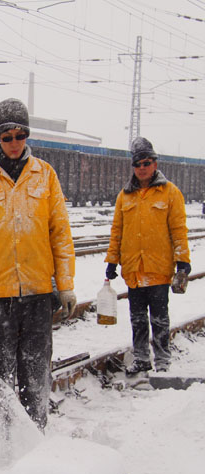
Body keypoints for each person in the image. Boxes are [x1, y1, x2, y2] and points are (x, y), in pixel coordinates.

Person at [0, 98, 76, 431]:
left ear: (27, 136)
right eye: (6, 137)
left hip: (38, 296)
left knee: (36, 376)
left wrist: (64, 285)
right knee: (2, 381)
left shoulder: (45, 176)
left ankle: (35, 436)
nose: (13, 143)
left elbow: (60, 235)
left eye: (19, 135)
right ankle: (4, 443)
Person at [105, 137, 190, 375]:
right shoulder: (125, 196)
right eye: (137, 164)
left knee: (160, 319)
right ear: (133, 167)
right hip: (133, 269)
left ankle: (163, 360)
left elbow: (178, 230)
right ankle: (142, 357)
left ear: (154, 164)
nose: (142, 167)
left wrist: (183, 260)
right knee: (138, 319)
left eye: (146, 162)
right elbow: (117, 232)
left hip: (159, 269)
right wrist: (112, 260)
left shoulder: (170, 193)